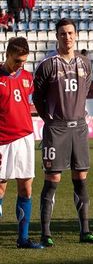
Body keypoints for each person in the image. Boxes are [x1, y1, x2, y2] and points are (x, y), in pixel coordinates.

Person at [33, 18, 93, 247]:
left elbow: (87, 88)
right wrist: (49, 121)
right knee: (53, 179)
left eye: (70, 33)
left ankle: (85, 231)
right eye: (63, 34)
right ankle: (45, 233)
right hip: (57, 128)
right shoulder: (48, 65)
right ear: (57, 36)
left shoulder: (85, 63)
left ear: (76, 35)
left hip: (79, 128)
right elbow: (37, 97)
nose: (67, 37)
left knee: (80, 178)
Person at [0, 37, 43, 249]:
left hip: (25, 138)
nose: (20, 65)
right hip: (2, 141)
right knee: (0, 188)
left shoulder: (27, 77)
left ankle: (23, 239)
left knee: (26, 188)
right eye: (17, 60)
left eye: (24, 61)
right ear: (7, 54)